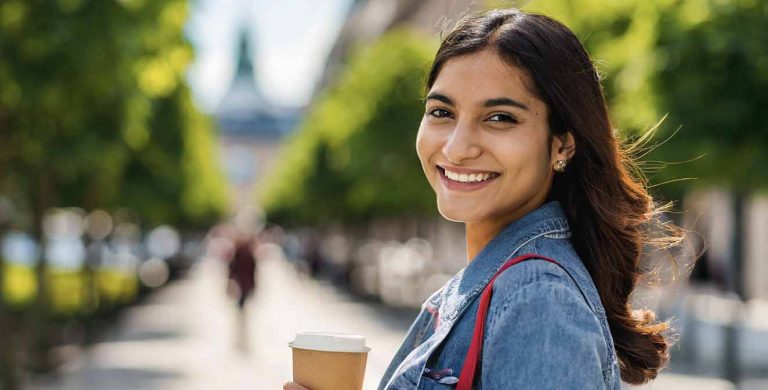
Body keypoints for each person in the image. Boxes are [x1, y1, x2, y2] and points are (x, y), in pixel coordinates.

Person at [285, 8, 683, 390]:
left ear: (562, 144)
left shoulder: (536, 300)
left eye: (500, 118)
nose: (457, 149)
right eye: (441, 112)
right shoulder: (488, 284)